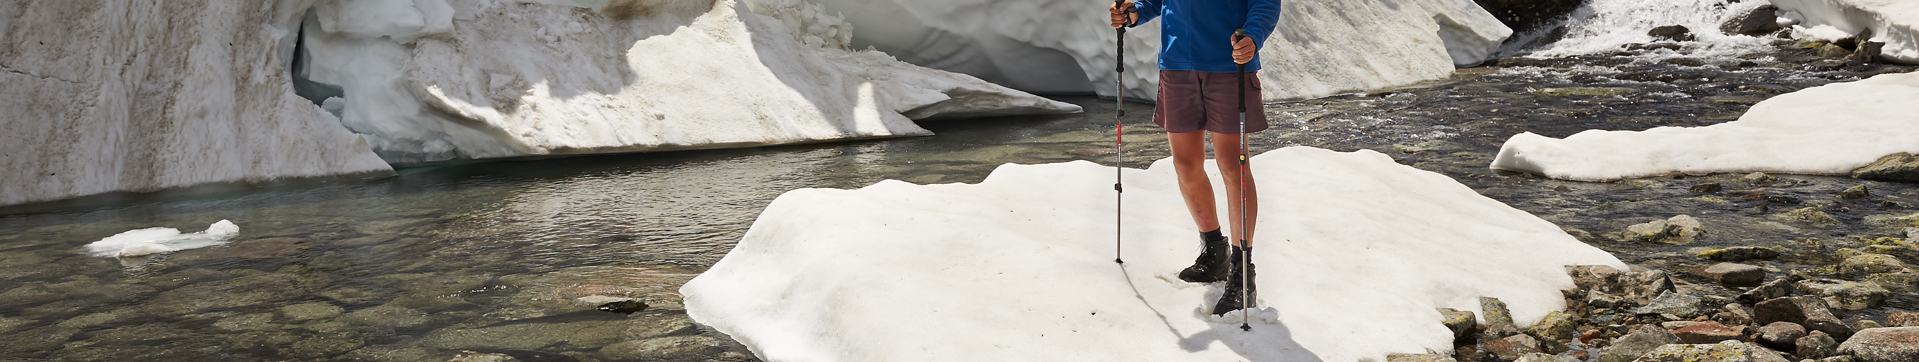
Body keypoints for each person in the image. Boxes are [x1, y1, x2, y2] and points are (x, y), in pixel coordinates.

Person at [1110, 0, 1280, 316]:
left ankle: (1243, 272)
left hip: (1229, 65)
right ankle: (1215, 251)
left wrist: (1253, 37)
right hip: (1177, 65)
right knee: (1185, 165)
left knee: (1233, 166)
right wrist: (1138, 11)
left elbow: (1265, 3)